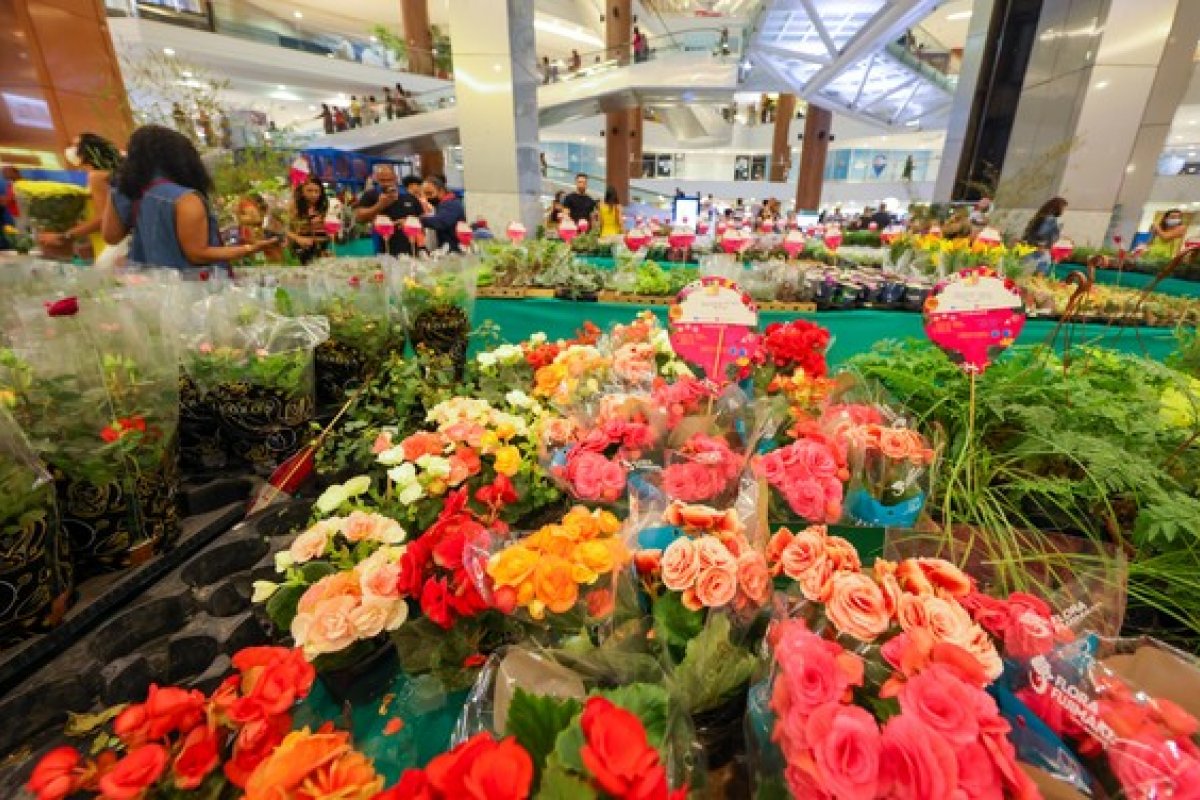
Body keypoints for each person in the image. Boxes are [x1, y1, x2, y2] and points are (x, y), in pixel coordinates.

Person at [103, 125, 270, 270]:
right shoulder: (184, 198)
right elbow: (198, 254)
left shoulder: (124, 192)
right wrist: (249, 248)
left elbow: (111, 236)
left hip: (144, 286)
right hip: (187, 289)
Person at [39, 132, 123, 262]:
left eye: (75, 145)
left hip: (107, 241)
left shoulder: (96, 176)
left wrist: (65, 236)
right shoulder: (106, 174)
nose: (70, 150)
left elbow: (104, 218)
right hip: (105, 239)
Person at [354, 166, 423, 256]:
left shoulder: (408, 196)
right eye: (382, 180)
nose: (387, 183)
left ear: (396, 178)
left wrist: (408, 221)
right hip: (382, 245)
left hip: (409, 246)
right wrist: (379, 205)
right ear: (377, 179)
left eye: (389, 180)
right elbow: (359, 218)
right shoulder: (370, 195)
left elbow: (421, 218)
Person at [287, 177, 331, 264]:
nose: (313, 194)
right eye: (309, 191)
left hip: (322, 251)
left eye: (316, 191)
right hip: (301, 251)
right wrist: (298, 238)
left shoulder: (323, 208)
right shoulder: (294, 207)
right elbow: (283, 230)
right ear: (302, 191)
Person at [418, 175, 466, 252]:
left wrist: (419, 220)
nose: (427, 198)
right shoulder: (441, 205)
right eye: (424, 194)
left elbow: (441, 222)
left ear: (441, 191)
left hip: (453, 251)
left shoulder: (451, 204)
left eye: (429, 193)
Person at [1022, 196, 1068, 275]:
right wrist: (1042, 245)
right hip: (1040, 252)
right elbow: (1041, 233)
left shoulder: (1040, 216)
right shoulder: (1050, 219)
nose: (1064, 211)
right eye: (1064, 208)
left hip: (1029, 249)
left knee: (1022, 275)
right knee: (1035, 279)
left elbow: (1031, 233)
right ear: (1058, 207)